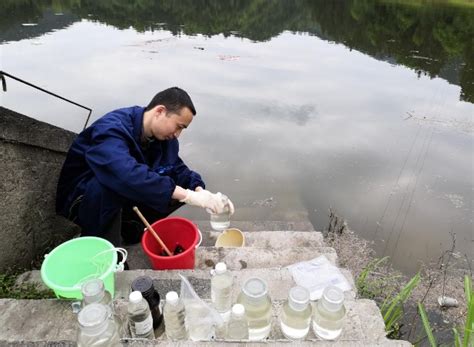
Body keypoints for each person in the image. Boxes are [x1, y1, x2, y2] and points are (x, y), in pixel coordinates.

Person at [56, 87, 234, 248]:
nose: (178, 135)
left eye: (183, 130)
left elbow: (176, 168)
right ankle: (102, 248)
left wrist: (201, 192)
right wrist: (186, 195)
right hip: (82, 197)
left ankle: (129, 227)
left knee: (172, 188)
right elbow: (123, 174)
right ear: (160, 111)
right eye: (178, 127)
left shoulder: (164, 139)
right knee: (113, 186)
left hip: (122, 189)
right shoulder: (112, 128)